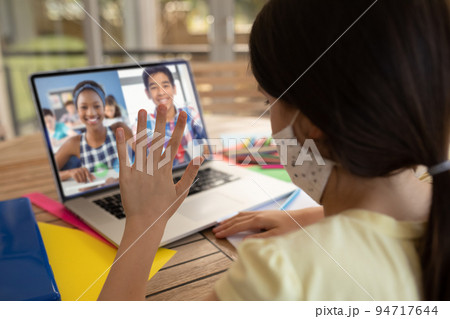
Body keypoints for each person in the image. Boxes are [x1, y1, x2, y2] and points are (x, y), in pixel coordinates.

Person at [99, 0, 450, 301]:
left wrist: (145, 222)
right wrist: (319, 218)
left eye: (269, 102)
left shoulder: (278, 275)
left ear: (312, 119)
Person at [55, 80, 133, 183]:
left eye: (97, 106)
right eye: (84, 107)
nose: (91, 113)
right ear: (77, 111)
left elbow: (146, 159)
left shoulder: (120, 130)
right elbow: (49, 174)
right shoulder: (74, 144)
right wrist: (69, 173)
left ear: (104, 108)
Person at [136, 65, 207, 166]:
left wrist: (207, 147)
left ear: (174, 89)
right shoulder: (142, 124)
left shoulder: (190, 113)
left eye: (165, 86)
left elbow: (206, 137)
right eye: (154, 88)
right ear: (148, 93)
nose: (161, 92)